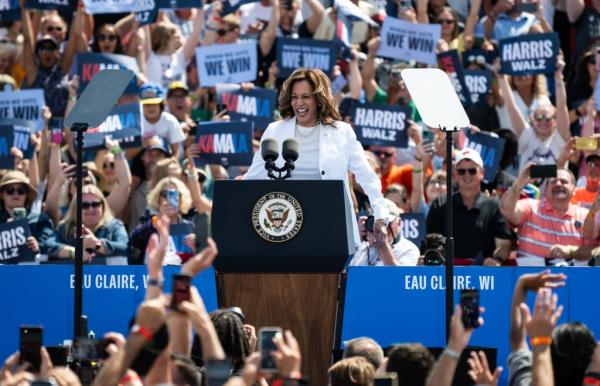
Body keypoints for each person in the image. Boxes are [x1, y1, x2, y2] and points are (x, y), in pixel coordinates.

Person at [243, 67, 389, 247]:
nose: (299, 103)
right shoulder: (275, 131)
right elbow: (253, 179)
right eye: (295, 97)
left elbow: (367, 177)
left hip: (331, 225)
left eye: (305, 97)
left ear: (319, 99)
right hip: (287, 228)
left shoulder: (342, 132)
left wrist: (381, 216)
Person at [426, 148, 512, 265]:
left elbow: (503, 243)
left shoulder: (494, 206)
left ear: (482, 173)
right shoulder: (440, 203)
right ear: (455, 174)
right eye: (461, 171)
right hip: (447, 274)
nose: (467, 175)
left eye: (472, 171)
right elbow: (431, 242)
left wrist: (496, 260)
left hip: (483, 275)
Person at [501, 165, 595, 266]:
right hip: (530, 278)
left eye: (564, 181)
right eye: (553, 182)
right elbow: (506, 210)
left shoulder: (585, 216)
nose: (558, 184)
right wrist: (520, 181)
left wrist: (570, 252)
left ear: (574, 190)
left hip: (572, 279)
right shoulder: (530, 207)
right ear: (545, 190)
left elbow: (593, 250)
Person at [46, 185, 129, 265]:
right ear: (76, 208)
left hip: (105, 276)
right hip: (71, 277)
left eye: (95, 204)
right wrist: (74, 252)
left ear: (102, 206)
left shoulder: (114, 225)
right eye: (84, 205)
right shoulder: (66, 227)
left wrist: (97, 244)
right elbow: (47, 245)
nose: (90, 209)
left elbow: (125, 247)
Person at [349, 198, 420, 266]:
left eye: (387, 223)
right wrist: (355, 242)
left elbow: (400, 277)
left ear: (399, 223)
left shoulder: (409, 249)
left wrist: (383, 247)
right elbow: (343, 274)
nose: (382, 228)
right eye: (377, 222)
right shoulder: (362, 246)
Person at [0, 171, 54, 259]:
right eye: (10, 190)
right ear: (1, 194)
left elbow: (51, 246)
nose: (15, 194)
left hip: (31, 270)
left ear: (27, 194)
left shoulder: (40, 220)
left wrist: (37, 247)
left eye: (21, 190)